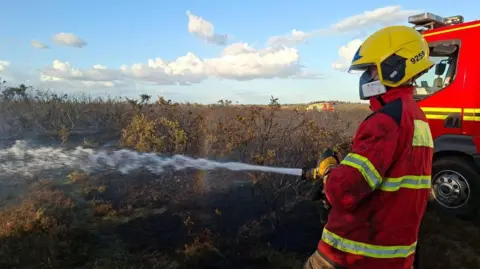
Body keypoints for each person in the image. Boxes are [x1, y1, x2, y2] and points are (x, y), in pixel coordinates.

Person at [303, 25, 435, 269]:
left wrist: (330, 172)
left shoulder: (386, 121)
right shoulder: (416, 117)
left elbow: (344, 192)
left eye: (371, 69)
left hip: (353, 253)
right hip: (395, 256)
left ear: (394, 68)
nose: (366, 77)